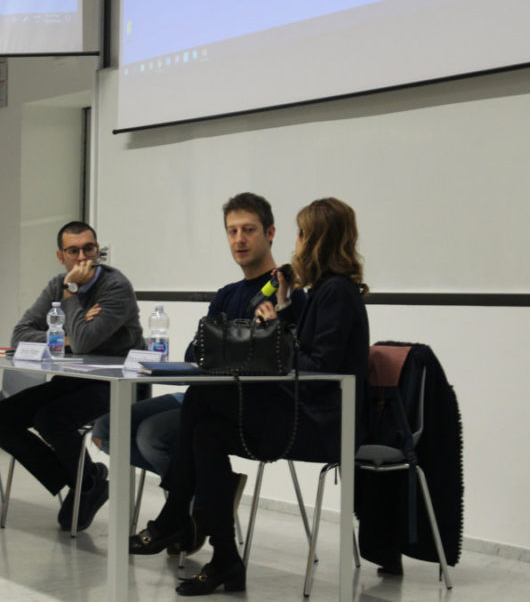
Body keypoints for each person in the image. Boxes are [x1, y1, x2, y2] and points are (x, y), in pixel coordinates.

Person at [129, 197, 370, 596]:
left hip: (323, 424)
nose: (297, 243)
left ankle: (175, 515)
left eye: (302, 234)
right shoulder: (324, 291)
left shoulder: (337, 293)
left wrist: (275, 329)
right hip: (304, 413)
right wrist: (283, 316)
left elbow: (317, 371)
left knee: (200, 401)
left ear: (318, 239)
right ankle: (224, 556)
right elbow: (297, 354)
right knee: (205, 428)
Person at [88, 192, 305, 495]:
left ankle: (201, 500)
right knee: (105, 430)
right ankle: (212, 489)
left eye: (249, 230)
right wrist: (238, 343)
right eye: (232, 231)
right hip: (201, 396)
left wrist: (227, 344)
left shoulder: (287, 293)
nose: (239, 239)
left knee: (151, 436)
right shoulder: (227, 294)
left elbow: (283, 360)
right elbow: (195, 353)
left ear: (270, 233)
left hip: (245, 406)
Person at [0, 221, 144, 532]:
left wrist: (71, 296)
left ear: (97, 250)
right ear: (60, 256)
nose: (82, 257)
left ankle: (84, 484)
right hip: (71, 379)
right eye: (73, 251)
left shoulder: (115, 287)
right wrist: (68, 336)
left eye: (88, 249)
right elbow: (20, 334)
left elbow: (84, 343)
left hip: (116, 382)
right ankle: (86, 481)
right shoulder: (57, 284)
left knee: (50, 419)